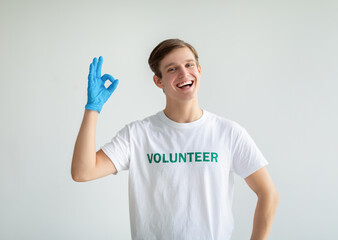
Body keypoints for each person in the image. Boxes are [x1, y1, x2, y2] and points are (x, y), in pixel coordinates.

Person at [71, 39, 279, 240]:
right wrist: (92, 109)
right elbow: (83, 172)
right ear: (158, 80)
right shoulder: (138, 134)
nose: (184, 73)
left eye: (189, 65)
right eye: (172, 69)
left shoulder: (228, 133)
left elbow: (267, 193)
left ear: (199, 70)